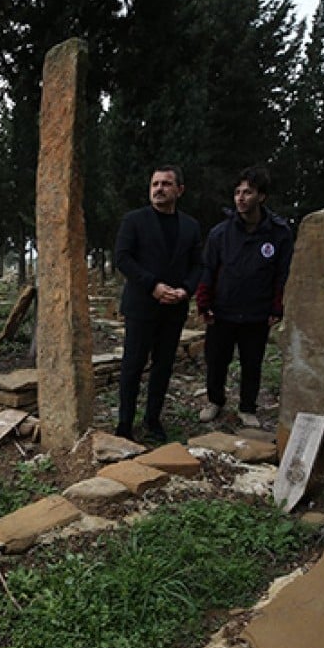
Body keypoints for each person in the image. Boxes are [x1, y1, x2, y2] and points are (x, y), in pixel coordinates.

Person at [195, 166, 293, 428]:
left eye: (247, 192)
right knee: (216, 360)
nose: (240, 198)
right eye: (237, 192)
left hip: (257, 311)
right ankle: (215, 400)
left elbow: (283, 274)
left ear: (261, 196)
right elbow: (208, 270)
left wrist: (277, 307)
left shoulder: (279, 233)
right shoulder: (220, 233)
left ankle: (248, 407)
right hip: (223, 310)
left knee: (252, 362)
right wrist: (204, 303)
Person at [114, 165, 203, 442]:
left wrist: (186, 290)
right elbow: (123, 258)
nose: (159, 189)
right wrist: (152, 285)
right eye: (154, 184)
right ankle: (125, 423)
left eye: (166, 184)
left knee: (163, 367)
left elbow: (198, 264)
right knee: (132, 366)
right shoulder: (134, 220)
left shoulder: (190, 226)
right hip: (142, 306)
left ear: (179, 190)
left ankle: (153, 420)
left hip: (174, 308)